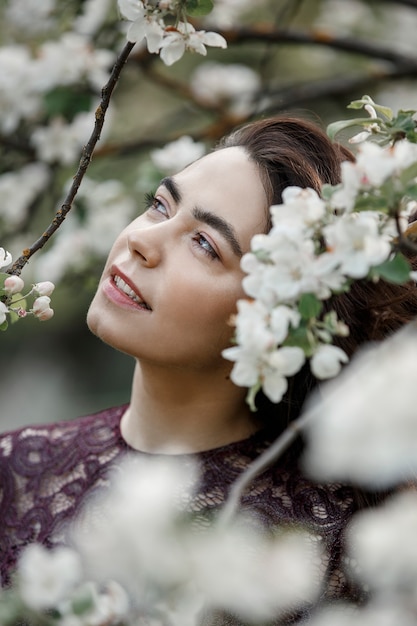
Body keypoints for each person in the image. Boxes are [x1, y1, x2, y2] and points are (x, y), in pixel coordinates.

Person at [1, 115, 416, 623]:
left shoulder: (323, 549)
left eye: (204, 244)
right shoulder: (16, 469)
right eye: (160, 206)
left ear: (277, 315)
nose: (142, 242)